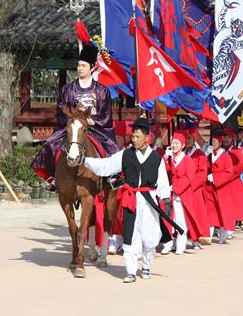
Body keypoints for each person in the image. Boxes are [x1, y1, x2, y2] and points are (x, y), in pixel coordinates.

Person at [83, 117, 171, 283]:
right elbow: (106, 165)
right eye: (133, 136)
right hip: (130, 200)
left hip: (149, 201)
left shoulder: (156, 158)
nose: (134, 139)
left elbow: (163, 182)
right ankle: (130, 271)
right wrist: (85, 161)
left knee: (149, 236)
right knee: (130, 235)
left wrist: (166, 201)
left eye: (137, 136)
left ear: (147, 137)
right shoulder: (125, 155)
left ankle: (146, 266)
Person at [31, 44, 119, 190]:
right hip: (73, 125)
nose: (80, 68)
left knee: (112, 146)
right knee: (51, 144)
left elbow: (106, 113)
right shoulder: (68, 89)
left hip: (94, 127)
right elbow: (61, 109)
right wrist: (71, 120)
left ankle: (113, 176)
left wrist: (93, 120)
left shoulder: (102, 91)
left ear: (91, 68)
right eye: (78, 65)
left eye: (83, 66)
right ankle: (53, 177)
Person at [161, 131, 202, 255]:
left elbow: (189, 177)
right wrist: (165, 159)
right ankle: (168, 244)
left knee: (180, 220)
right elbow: (165, 172)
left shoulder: (187, 160)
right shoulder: (170, 158)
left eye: (177, 143)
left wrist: (175, 187)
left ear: (183, 145)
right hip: (169, 194)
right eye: (173, 143)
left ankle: (180, 244)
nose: (174, 145)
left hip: (181, 195)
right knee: (168, 220)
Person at [203, 130, 235, 244]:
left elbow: (229, 172)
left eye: (216, 141)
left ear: (220, 142)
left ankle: (223, 236)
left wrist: (216, 177)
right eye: (213, 141)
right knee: (210, 211)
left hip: (222, 188)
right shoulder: (209, 155)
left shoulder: (226, 156)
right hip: (209, 188)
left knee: (223, 211)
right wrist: (206, 156)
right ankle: (208, 235)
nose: (214, 143)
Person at [184, 127, 211, 246]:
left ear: (194, 139)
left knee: (197, 214)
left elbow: (202, 173)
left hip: (195, 190)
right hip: (183, 189)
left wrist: (191, 185)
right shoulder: (181, 154)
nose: (187, 141)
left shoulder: (199, 154)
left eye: (189, 138)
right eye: (186, 138)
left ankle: (197, 239)